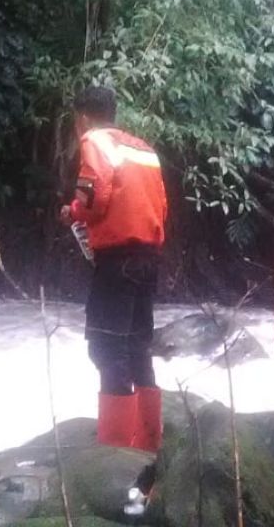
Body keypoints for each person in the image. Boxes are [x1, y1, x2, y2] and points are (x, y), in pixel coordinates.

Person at [60, 86, 168, 451]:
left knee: (107, 348)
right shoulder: (143, 149)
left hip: (117, 260)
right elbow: (161, 207)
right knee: (138, 345)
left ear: (83, 117)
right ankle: (149, 442)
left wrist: (73, 211)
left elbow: (93, 198)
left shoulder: (94, 140)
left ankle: (115, 453)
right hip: (149, 257)